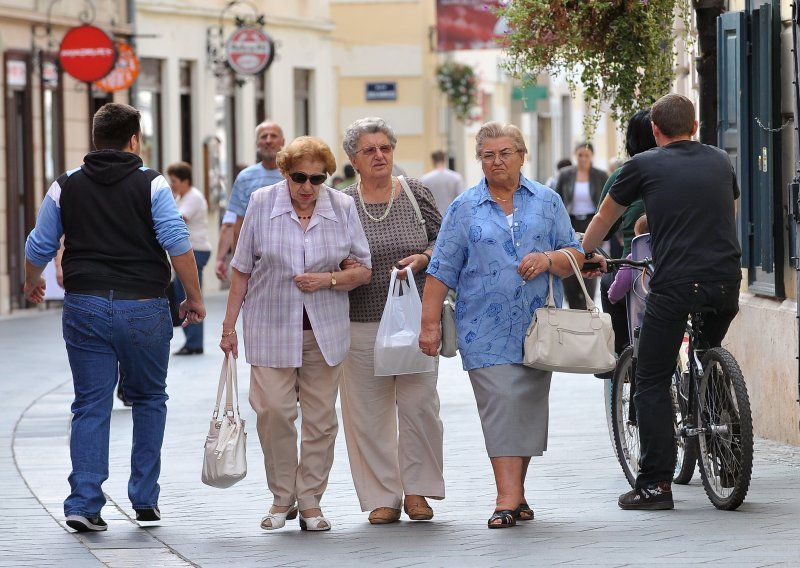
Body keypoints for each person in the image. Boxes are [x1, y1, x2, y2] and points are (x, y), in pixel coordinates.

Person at [23, 103, 205, 532]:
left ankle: (84, 503)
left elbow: (38, 244)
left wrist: (32, 282)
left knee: (90, 403)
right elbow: (177, 242)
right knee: (148, 398)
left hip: (84, 303)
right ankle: (144, 498)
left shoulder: (65, 185)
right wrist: (193, 297)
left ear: (94, 139)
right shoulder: (153, 184)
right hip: (143, 304)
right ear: (134, 140)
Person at [581, 93, 741, 510]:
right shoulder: (721, 160)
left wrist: (586, 253)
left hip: (675, 285)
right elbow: (732, 210)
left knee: (651, 377)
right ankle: (727, 458)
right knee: (708, 355)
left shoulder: (642, 164)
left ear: (655, 131)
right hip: (726, 282)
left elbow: (605, 218)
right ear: (696, 126)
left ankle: (654, 485)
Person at [419, 121, 583, 529]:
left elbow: (576, 255)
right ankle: (506, 498)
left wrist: (548, 260)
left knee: (524, 409)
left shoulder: (547, 201)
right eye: (487, 154)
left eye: (505, 153)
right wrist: (429, 325)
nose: (496, 161)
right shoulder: (464, 207)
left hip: (538, 328)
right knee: (500, 407)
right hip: (482, 329)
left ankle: (518, 496)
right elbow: (441, 269)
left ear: (522, 155)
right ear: (479, 160)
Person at [219, 136, 372, 532]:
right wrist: (228, 326)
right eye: (300, 177)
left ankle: (309, 502)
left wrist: (328, 279)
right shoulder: (261, 203)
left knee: (321, 421)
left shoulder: (341, 206)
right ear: (285, 173)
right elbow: (242, 268)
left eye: (317, 179)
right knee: (273, 412)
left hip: (324, 331)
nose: (307, 187)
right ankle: (280, 496)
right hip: (270, 327)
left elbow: (363, 269)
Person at [339, 117, 445, 525]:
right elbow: (326, 249)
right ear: (353, 160)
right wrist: (341, 265)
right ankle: (383, 496)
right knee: (367, 414)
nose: (380, 156)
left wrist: (425, 257)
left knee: (420, 408)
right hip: (361, 320)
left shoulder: (416, 193)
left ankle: (417, 490)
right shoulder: (341, 202)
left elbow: (444, 242)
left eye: (385, 147)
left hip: (416, 321)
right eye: (369, 150)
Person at [596, 109, 657, 367]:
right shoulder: (688, 170)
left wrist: (584, 250)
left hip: (639, 268)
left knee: (607, 283)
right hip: (686, 263)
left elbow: (604, 227)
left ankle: (622, 357)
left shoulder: (623, 175)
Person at [214, 121, 285, 280]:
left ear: (283, 142)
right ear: (257, 143)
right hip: (256, 263)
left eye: (273, 136)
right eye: (263, 136)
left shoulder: (295, 175)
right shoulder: (245, 177)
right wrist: (236, 263)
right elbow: (235, 224)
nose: (268, 140)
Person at [554, 143, 608, 309]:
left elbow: (607, 202)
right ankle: (573, 305)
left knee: (589, 260)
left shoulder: (600, 175)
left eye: (586, 155)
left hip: (592, 223)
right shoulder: (565, 175)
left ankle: (587, 304)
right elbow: (557, 200)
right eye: (580, 155)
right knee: (570, 260)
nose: (583, 158)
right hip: (571, 222)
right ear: (575, 156)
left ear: (592, 156)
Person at [166, 161, 211, 355]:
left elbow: (177, 220)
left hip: (196, 251)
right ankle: (191, 341)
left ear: (185, 180)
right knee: (182, 295)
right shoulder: (181, 197)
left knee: (190, 295)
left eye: (174, 180)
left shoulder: (193, 197)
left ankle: (194, 343)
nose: (172, 184)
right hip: (190, 251)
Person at [607, 214, 649, 304]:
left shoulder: (633, 257)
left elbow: (621, 283)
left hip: (642, 309)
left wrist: (612, 296)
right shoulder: (668, 254)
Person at [420, 150, 464, 216]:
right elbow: (461, 199)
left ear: (433, 161)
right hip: (451, 216)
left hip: (433, 218)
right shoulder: (456, 177)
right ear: (444, 160)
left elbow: (422, 202)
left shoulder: (425, 179)